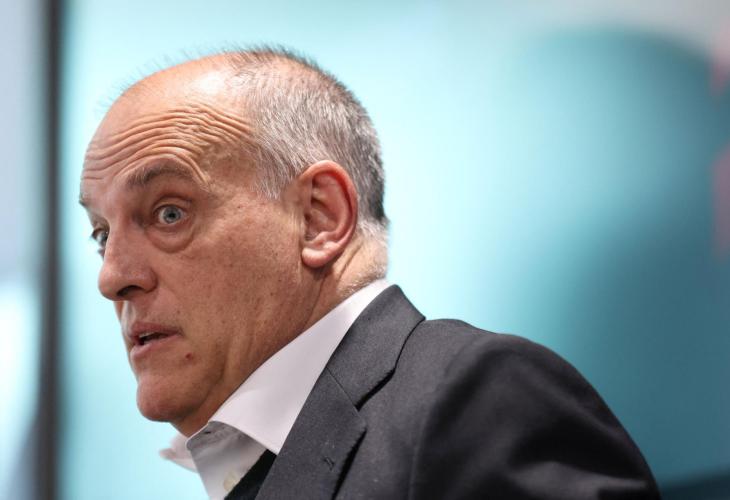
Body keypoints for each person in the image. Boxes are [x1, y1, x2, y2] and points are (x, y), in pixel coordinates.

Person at [79, 49, 660, 500]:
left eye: (169, 213)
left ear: (318, 218)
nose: (112, 278)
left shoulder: (476, 399)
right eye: (103, 234)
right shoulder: (254, 461)